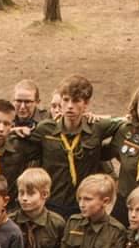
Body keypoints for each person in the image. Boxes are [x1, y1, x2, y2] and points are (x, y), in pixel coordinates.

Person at [31, 75, 121, 216]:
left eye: (76, 101)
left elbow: (126, 122)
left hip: (84, 206)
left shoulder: (96, 127)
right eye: (66, 100)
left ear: (86, 104)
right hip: (52, 204)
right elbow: (22, 144)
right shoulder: (45, 129)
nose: (70, 106)